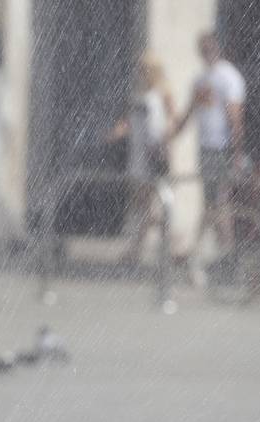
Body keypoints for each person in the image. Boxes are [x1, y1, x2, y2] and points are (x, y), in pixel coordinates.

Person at [169, 31, 246, 277]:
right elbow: (189, 111)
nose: (206, 52)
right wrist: (170, 138)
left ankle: (213, 256)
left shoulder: (228, 77)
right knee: (215, 204)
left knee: (219, 204)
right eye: (203, 48)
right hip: (207, 149)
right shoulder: (201, 80)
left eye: (209, 47)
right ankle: (216, 256)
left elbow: (235, 118)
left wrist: (236, 153)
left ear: (217, 48)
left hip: (221, 148)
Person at [108, 53, 176, 266]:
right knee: (142, 205)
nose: (140, 73)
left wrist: (164, 147)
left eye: (144, 69)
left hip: (151, 155)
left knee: (147, 204)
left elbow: (171, 122)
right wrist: (117, 132)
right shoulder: (140, 94)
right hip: (137, 154)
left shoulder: (162, 93)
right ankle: (163, 243)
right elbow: (130, 120)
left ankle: (144, 248)